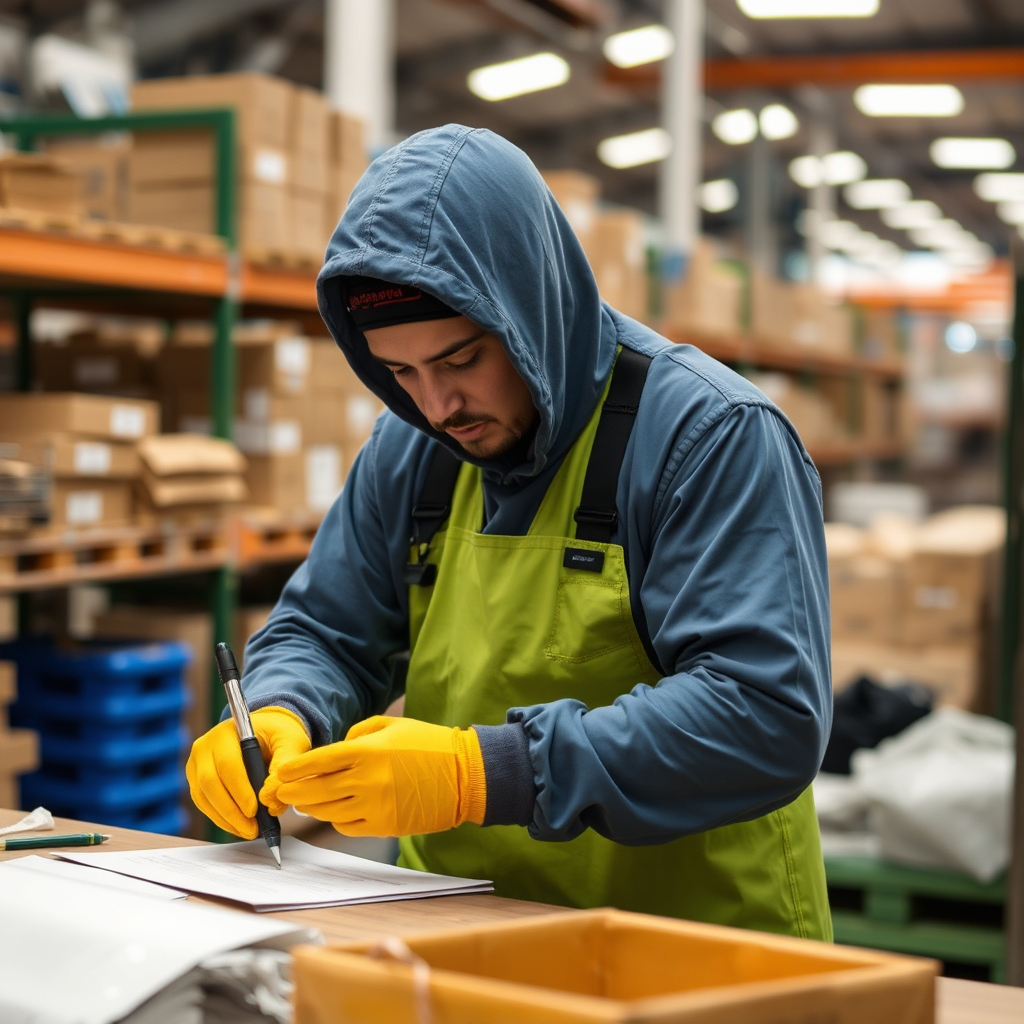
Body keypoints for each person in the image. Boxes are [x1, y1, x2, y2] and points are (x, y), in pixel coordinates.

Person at [187, 123, 833, 939]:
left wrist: (480, 773)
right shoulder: (412, 450)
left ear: (532, 305)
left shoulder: (710, 438)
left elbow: (761, 714)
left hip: (695, 945)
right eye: (400, 372)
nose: (436, 406)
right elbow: (327, 628)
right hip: (464, 931)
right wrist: (284, 708)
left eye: (459, 361)